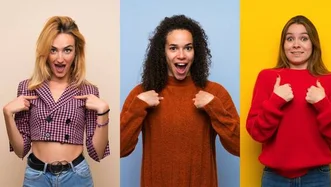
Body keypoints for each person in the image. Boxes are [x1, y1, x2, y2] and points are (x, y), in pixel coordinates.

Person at [120, 14, 240, 187]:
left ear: (195, 52)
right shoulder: (141, 95)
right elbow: (121, 149)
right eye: (173, 48)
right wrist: (137, 108)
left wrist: (215, 109)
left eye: (188, 48)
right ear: (163, 52)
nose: (181, 55)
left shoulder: (215, 93)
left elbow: (238, 147)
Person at [3, 16, 110, 187]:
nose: (60, 59)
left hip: (76, 176)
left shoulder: (88, 91)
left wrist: (103, 112)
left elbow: (97, 153)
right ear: (45, 53)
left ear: (76, 53)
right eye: (53, 50)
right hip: (37, 177)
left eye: (67, 50)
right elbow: (20, 150)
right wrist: (7, 115)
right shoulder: (28, 88)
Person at [246, 15, 331, 187]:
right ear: (283, 45)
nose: (296, 44)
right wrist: (275, 101)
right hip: (274, 178)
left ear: (313, 44)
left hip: (317, 177)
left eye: (304, 38)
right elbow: (256, 133)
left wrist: (322, 103)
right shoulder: (267, 77)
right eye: (290, 38)